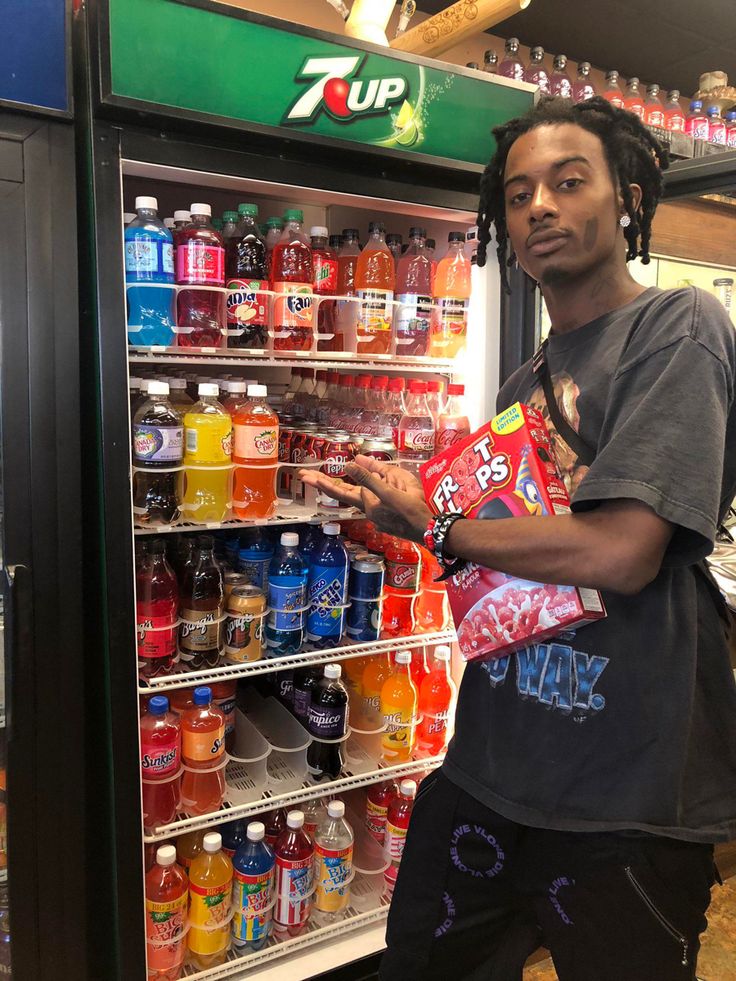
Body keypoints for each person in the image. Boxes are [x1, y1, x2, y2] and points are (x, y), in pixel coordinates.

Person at [301, 96, 736, 981]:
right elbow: (511, 571)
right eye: (518, 192)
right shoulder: (527, 374)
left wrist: (445, 523)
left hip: (626, 795)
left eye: (571, 182)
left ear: (629, 199)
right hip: (494, 765)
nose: (540, 206)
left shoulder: (679, 327)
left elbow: (623, 550)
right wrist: (415, 520)